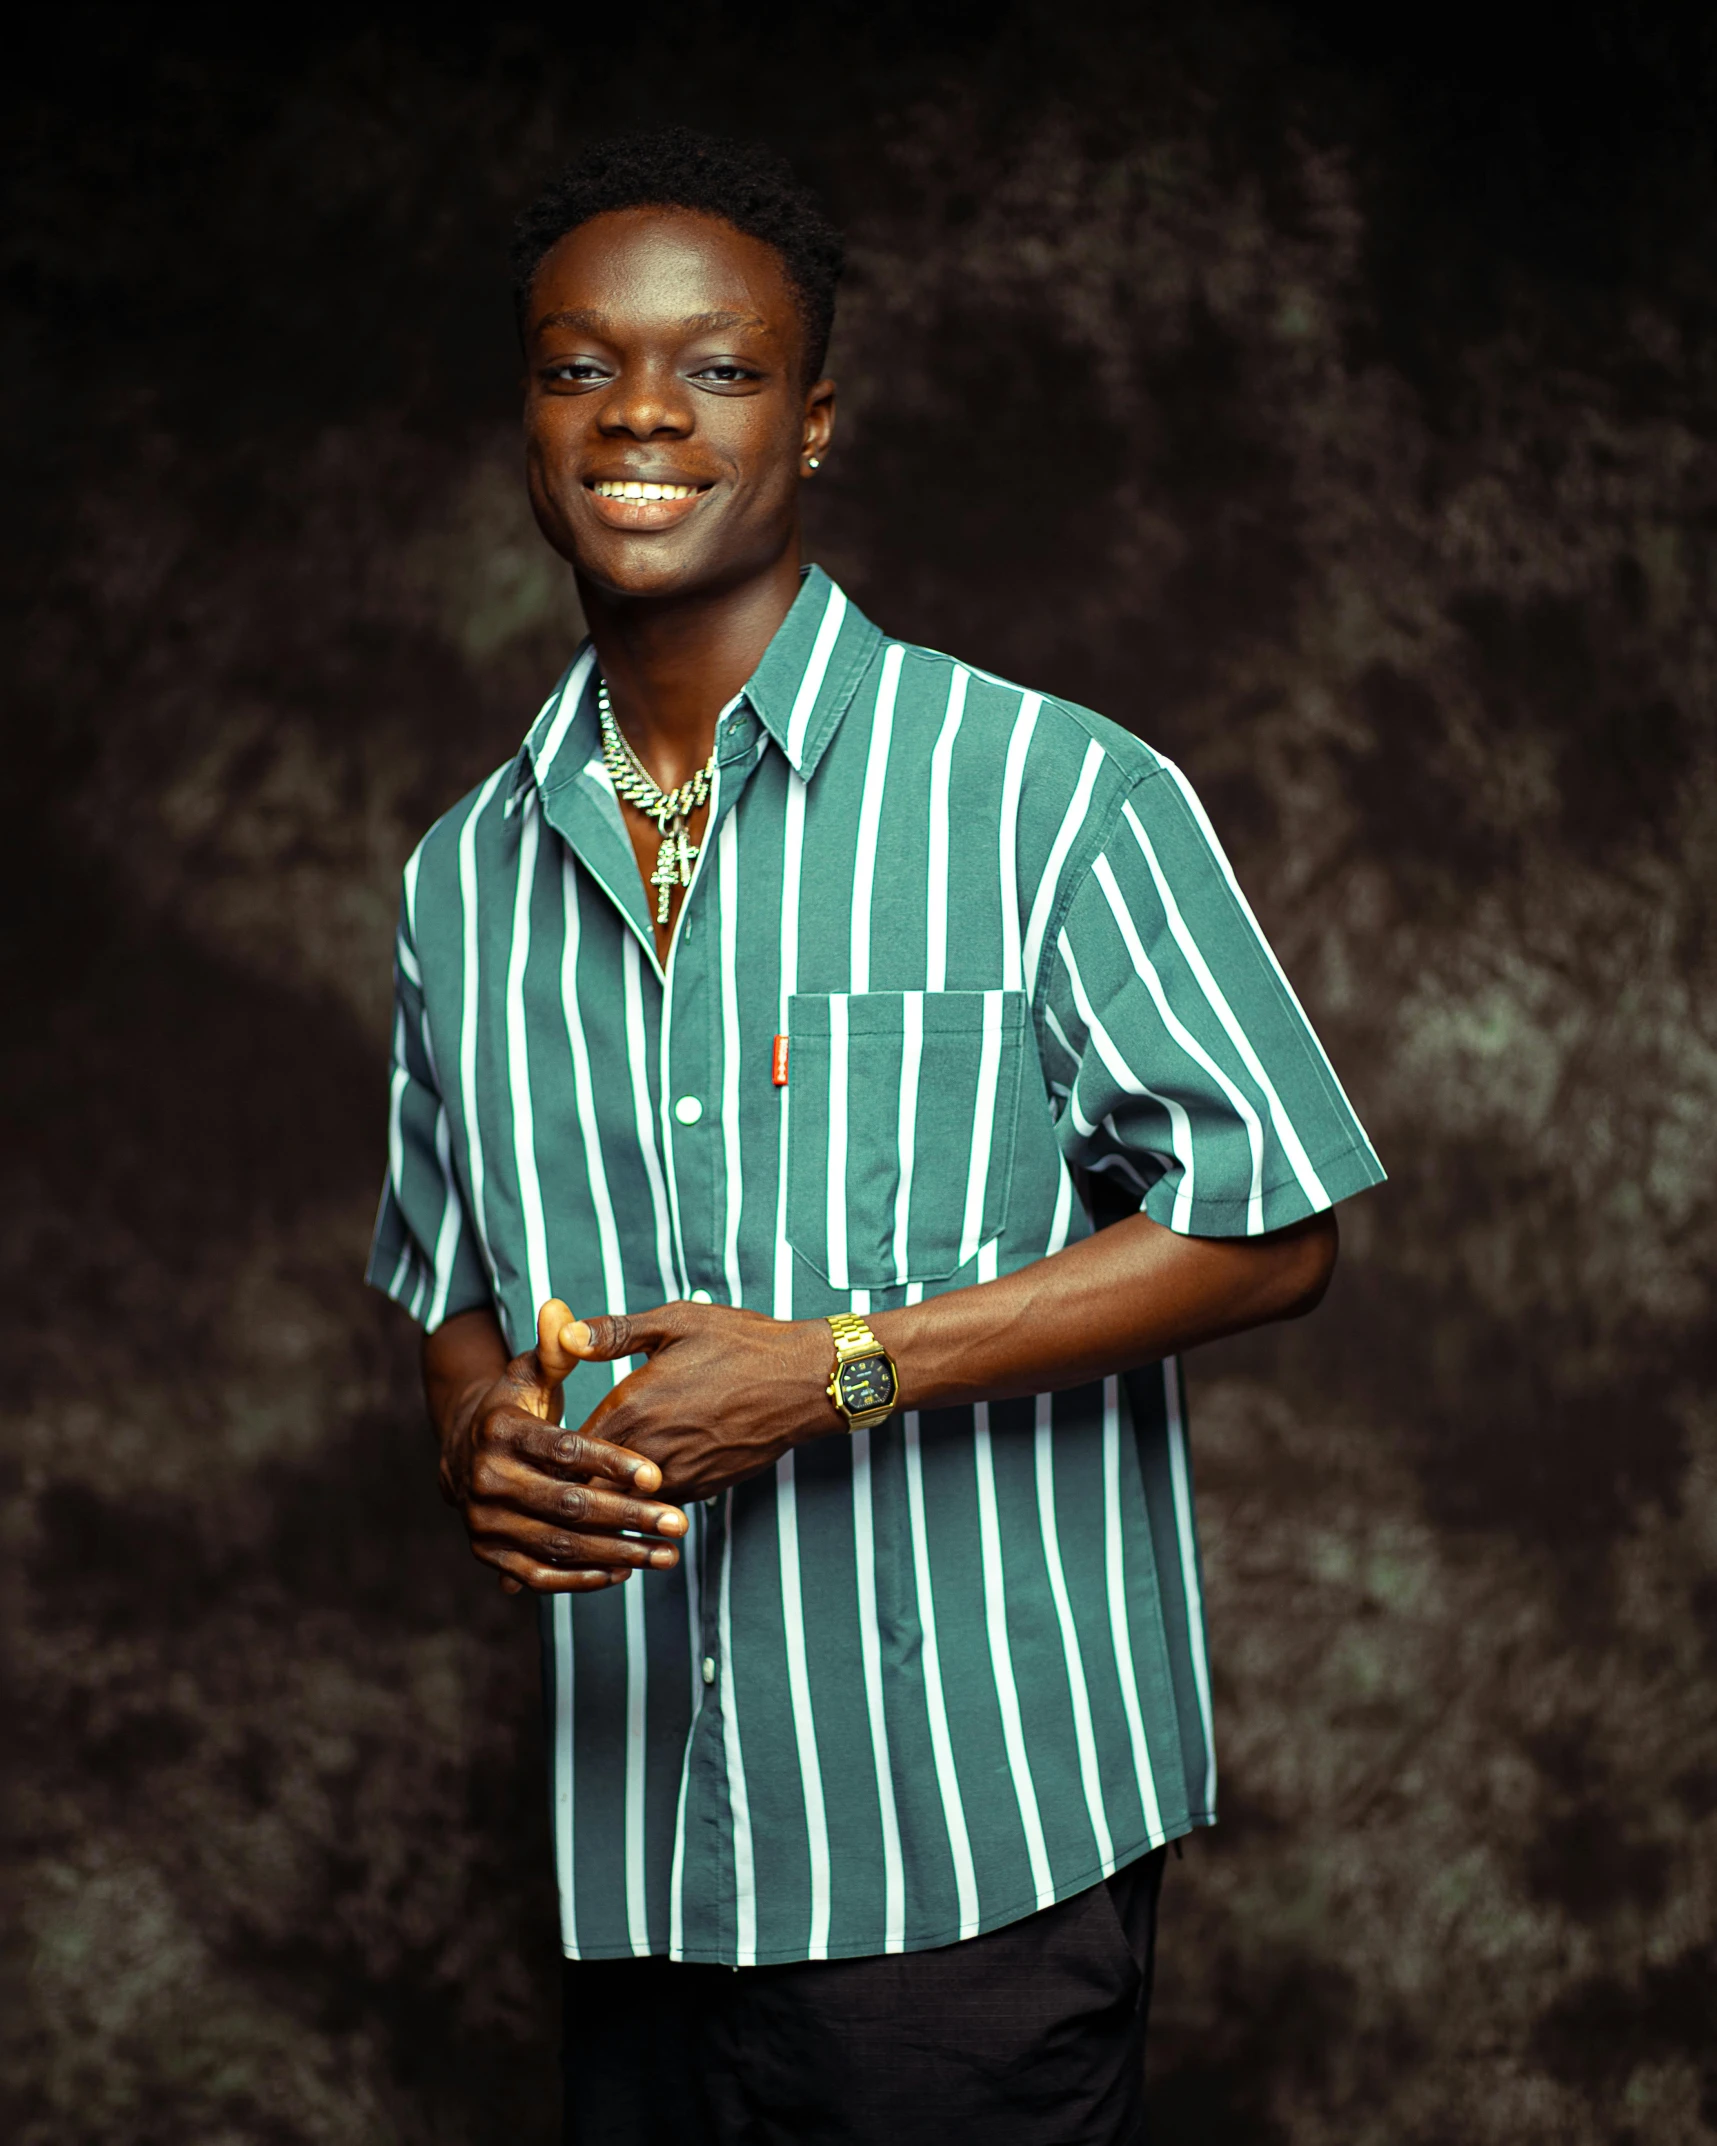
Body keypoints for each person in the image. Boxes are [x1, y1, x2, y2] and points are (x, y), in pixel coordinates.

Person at [367, 128, 1384, 2146]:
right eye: (582, 365)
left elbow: (1276, 1229)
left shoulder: (1046, 790)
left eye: (719, 367)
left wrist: (838, 1369)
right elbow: (455, 1290)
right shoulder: (461, 875)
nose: (643, 410)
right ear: (528, 418)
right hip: (634, 1844)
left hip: (970, 1843)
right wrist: (473, 1426)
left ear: (813, 420)